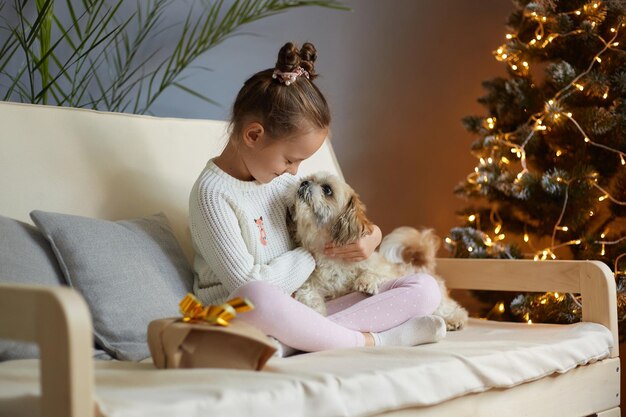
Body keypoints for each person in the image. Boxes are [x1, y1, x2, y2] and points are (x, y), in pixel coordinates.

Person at [189, 41, 445, 355]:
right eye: (289, 159)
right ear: (253, 136)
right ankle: (373, 340)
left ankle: (297, 342)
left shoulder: (278, 180)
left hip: (308, 308)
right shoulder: (213, 196)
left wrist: (372, 237)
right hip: (243, 316)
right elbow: (246, 287)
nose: (294, 172)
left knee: (424, 288)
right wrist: (314, 253)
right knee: (258, 295)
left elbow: (342, 214)